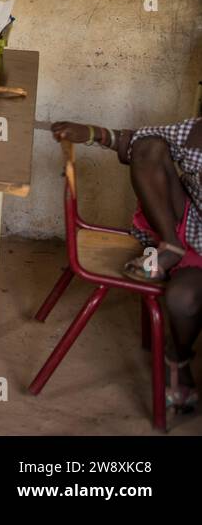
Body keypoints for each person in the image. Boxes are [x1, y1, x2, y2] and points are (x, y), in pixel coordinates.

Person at [50, 118, 202, 413]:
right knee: (150, 148)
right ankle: (169, 248)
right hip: (188, 230)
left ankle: (177, 356)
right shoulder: (195, 132)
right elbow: (136, 141)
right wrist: (92, 133)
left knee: (184, 298)